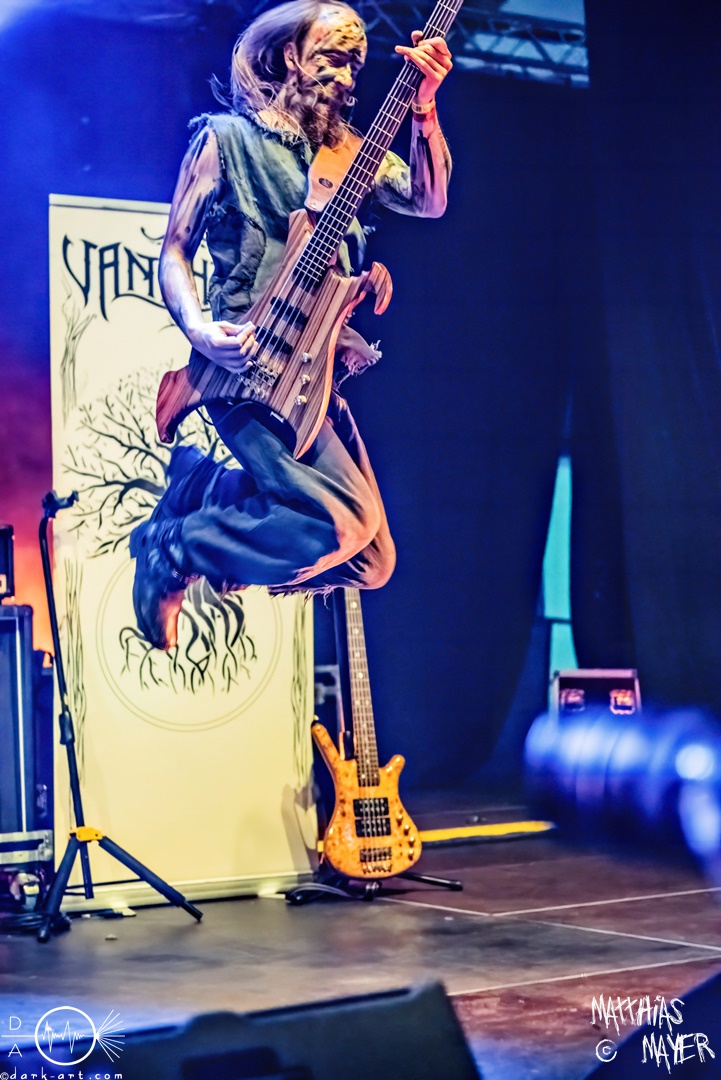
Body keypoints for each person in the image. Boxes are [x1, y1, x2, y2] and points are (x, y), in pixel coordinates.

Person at [131, 0, 453, 650]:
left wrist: (423, 106)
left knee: (374, 561)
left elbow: (429, 200)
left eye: (356, 64)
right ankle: (173, 546)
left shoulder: (351, 157)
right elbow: (174, 251)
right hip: (245, 370)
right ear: (288, 56)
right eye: (333, 58)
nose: (347, 77)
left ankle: (204, 489)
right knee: (340, 526)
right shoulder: (227, 140)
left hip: (312, 376)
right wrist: (199, 330)